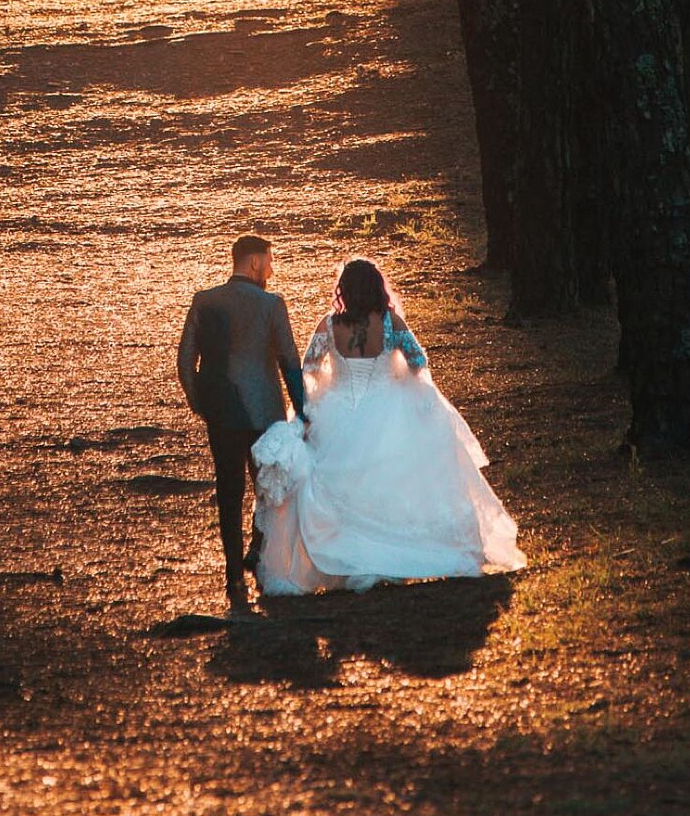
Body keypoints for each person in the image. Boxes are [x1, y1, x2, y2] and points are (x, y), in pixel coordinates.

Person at [251, 258, 526, 595]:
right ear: (377, 288)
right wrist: (399, 381)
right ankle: (396, 552)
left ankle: (348, 554)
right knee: (391, 483)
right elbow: (418, 360)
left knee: (339, 483)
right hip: (386, 405)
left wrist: (320, 396)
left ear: (345, 290)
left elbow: (308, 366)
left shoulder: (329, 325)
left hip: (337, 410)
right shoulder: (390, 322)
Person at [177, 234, 307, 613]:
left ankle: (233, 575)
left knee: (229, 494)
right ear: (253, 263)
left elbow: (186, 362)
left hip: (222, 412)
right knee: (267, 490)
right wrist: (302, 410)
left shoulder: (204, 301)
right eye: (269, 261)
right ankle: (261, 557)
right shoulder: (271, 304)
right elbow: (289, 362)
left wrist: (200, 403)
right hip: (265, 413)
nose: (271, 268)